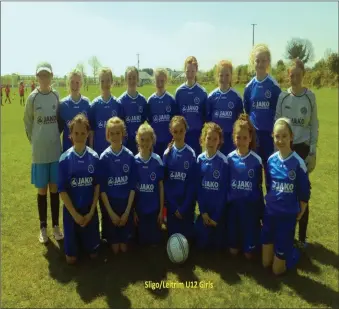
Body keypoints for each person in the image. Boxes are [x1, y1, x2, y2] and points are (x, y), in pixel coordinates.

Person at [275, 58, 319, 249]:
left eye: (298, 75)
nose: (294, 79)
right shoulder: (283, 97)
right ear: (288, 76)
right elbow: (277, 123)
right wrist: (277, 150)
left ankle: (302, 239)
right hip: (286, 149)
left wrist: (313, 152)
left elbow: (314, 125)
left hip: (302, 149)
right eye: (291, 75)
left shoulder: (310, 97)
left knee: (302, 193)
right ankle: (284, 233)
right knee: (285, 190)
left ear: (303, 75)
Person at [262, 118, 310, 275]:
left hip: (287, 217)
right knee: (265, 263)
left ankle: (292, 251)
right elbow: (269, 186)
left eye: (284, 136)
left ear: (291, 137)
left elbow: (304, 194)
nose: (280, 140)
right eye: (277, 136)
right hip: (270, 215)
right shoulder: (271, 160)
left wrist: (300, 213)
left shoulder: (298, 163)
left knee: (277, 271)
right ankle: (281, 245)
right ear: (273, 137)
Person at [23, 62, 64, 243]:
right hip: (39, 153)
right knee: (42, 190)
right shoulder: (32, 98)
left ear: (52, 76)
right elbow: (28, 122)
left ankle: (55, 225)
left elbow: (59, 121)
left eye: (46, 75)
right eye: (41, 75)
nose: (44, 78)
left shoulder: (56, 96)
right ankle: (43, 227)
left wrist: (54, 136)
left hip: (55, 151)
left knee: (54, 189)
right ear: (36, 77)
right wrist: (36, 141)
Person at [58, 114, 100, 264]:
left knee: (94, 255)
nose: (80, 136)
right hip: (72, 212)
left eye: (83, 133)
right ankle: (76, 241)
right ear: (70, 135)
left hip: (89, 210)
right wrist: (75, 215)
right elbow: (62, 191)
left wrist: (91, 211)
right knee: (71, 260)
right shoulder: (64, 159)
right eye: (76, 133)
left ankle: (86, 240)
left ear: (88, 134)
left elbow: (97, 186)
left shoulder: (94, 157)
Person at [88, 67, 123, 241]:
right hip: (100, 157)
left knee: (115, 189)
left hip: (115, 156)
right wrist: (93, 153)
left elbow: (122, 131)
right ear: (99, 82)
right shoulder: (94, 105)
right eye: (101, 80)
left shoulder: (117, 104)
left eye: (107, 80)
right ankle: (104, 226)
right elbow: (92, 132)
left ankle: (118, 226)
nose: (104, 83)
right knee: (101, 190)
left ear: (112, 81)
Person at [226, 114, 264, 259]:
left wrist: (260, 212)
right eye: (238, 138)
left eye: (244, 138)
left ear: (250, 138)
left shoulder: (256, 160)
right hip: (233, 209)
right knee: (233, 252)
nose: (241, 141)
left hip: (250, 211)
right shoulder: (229, 159)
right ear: (234, 138)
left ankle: (251, 239)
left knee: (249, 255)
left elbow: (259, 188)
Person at [99, 117, 136, 254]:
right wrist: (111, 214)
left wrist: (127, 212)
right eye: (112, 133)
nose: (115, 137)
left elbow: (132, 187)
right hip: (111, 207)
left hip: (125, 205)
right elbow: (102, 190)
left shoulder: (129, 156)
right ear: (107, 135)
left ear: (123, 134)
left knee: (124, 248)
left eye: (118, 133)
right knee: (115, 249)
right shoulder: (104, 158)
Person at [243, 44, 281, 169]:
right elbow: (248, 111)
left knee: (270, 169)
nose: (260, 64)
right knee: (254, 170)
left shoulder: (274, 86)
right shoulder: (249, 87)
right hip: (254, 137)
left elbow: (278, 112)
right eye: (257, 61)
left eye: (263, 61)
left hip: (270, 136)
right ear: (253, 62)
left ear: (268, 62)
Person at [163, 116, 197, 241]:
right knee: (173, 238)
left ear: (185, 131)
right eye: (175, 131)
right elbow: (165, 182)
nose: (178, 135)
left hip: (186, 206)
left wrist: (183, 207)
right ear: (171, 132)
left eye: (181, 131)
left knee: (187, 238)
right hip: (173, 206)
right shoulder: (167, 153)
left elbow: (192, 184)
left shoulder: (191, 153)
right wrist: (173, 206)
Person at [195, 122, 228, 250]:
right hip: (205, 212)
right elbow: (199, 188)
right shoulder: (200, 159)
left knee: (218, 247)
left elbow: (223, 191)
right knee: (201, 245)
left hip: (217, 215)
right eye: (209, 138)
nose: (211, 142)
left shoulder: (223, 161)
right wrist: (203, 212)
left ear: (219, 141)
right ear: (203, 139)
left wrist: (216, 216)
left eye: (215, 139)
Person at [134, 122, 164, 246]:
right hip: (140, 210)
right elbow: (132, 189)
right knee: (140, 242)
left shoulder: (157, 160)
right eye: (142, 140)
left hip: (153, 210)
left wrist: (161, 210)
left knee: (154, 242)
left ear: (152, 140)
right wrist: (134, 211)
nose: (145, 143)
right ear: (137, 140)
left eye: (148, 140)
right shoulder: (134, 161)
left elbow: (161, 187)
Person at [207, 60, 244, 156]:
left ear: (231, 76)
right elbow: (207, 121)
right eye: (221, 75)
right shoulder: (211, 97)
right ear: (217, 76)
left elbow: (240, 121)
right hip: (215, 141)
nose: (224, 78)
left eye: (227, 75)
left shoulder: (236, 97)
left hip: (231, 140)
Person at [175, 56, 208, 156]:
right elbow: (176, 116)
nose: (190, 74)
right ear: (184, 70)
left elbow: (205, 115)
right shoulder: (179, 92)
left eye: (192, 71)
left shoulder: (202, 92)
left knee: (195, 160)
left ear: (196, 71)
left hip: (196, 134)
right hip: (182, 135)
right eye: (188, 71)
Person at [58, 69, 91, 153]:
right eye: (72, 82)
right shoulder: (62, 104)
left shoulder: (86, 103)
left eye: (77, 82)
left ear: (81, 84)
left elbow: (90, 130)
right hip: (67, 152)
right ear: (68, 83)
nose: (74, 86)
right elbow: (58, 131)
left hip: (84, 152)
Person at [147, 68, 177, 157]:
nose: (159, 83)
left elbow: (174, 122)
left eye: (162, 80)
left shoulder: (171, 100)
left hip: (168, 142)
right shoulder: (150, 101)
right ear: (154, 81)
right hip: (154, 143)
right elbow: (149, 121)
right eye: (157, 80)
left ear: (166, 80)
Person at [118, 66, 148, 155]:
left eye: (134, 78)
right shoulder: (121, 101)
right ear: (125, 80)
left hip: (140, 143)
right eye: (129, 78)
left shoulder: (143, 100)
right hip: (125, 144)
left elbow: (144, 122)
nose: (132, 81)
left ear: (138, 79)